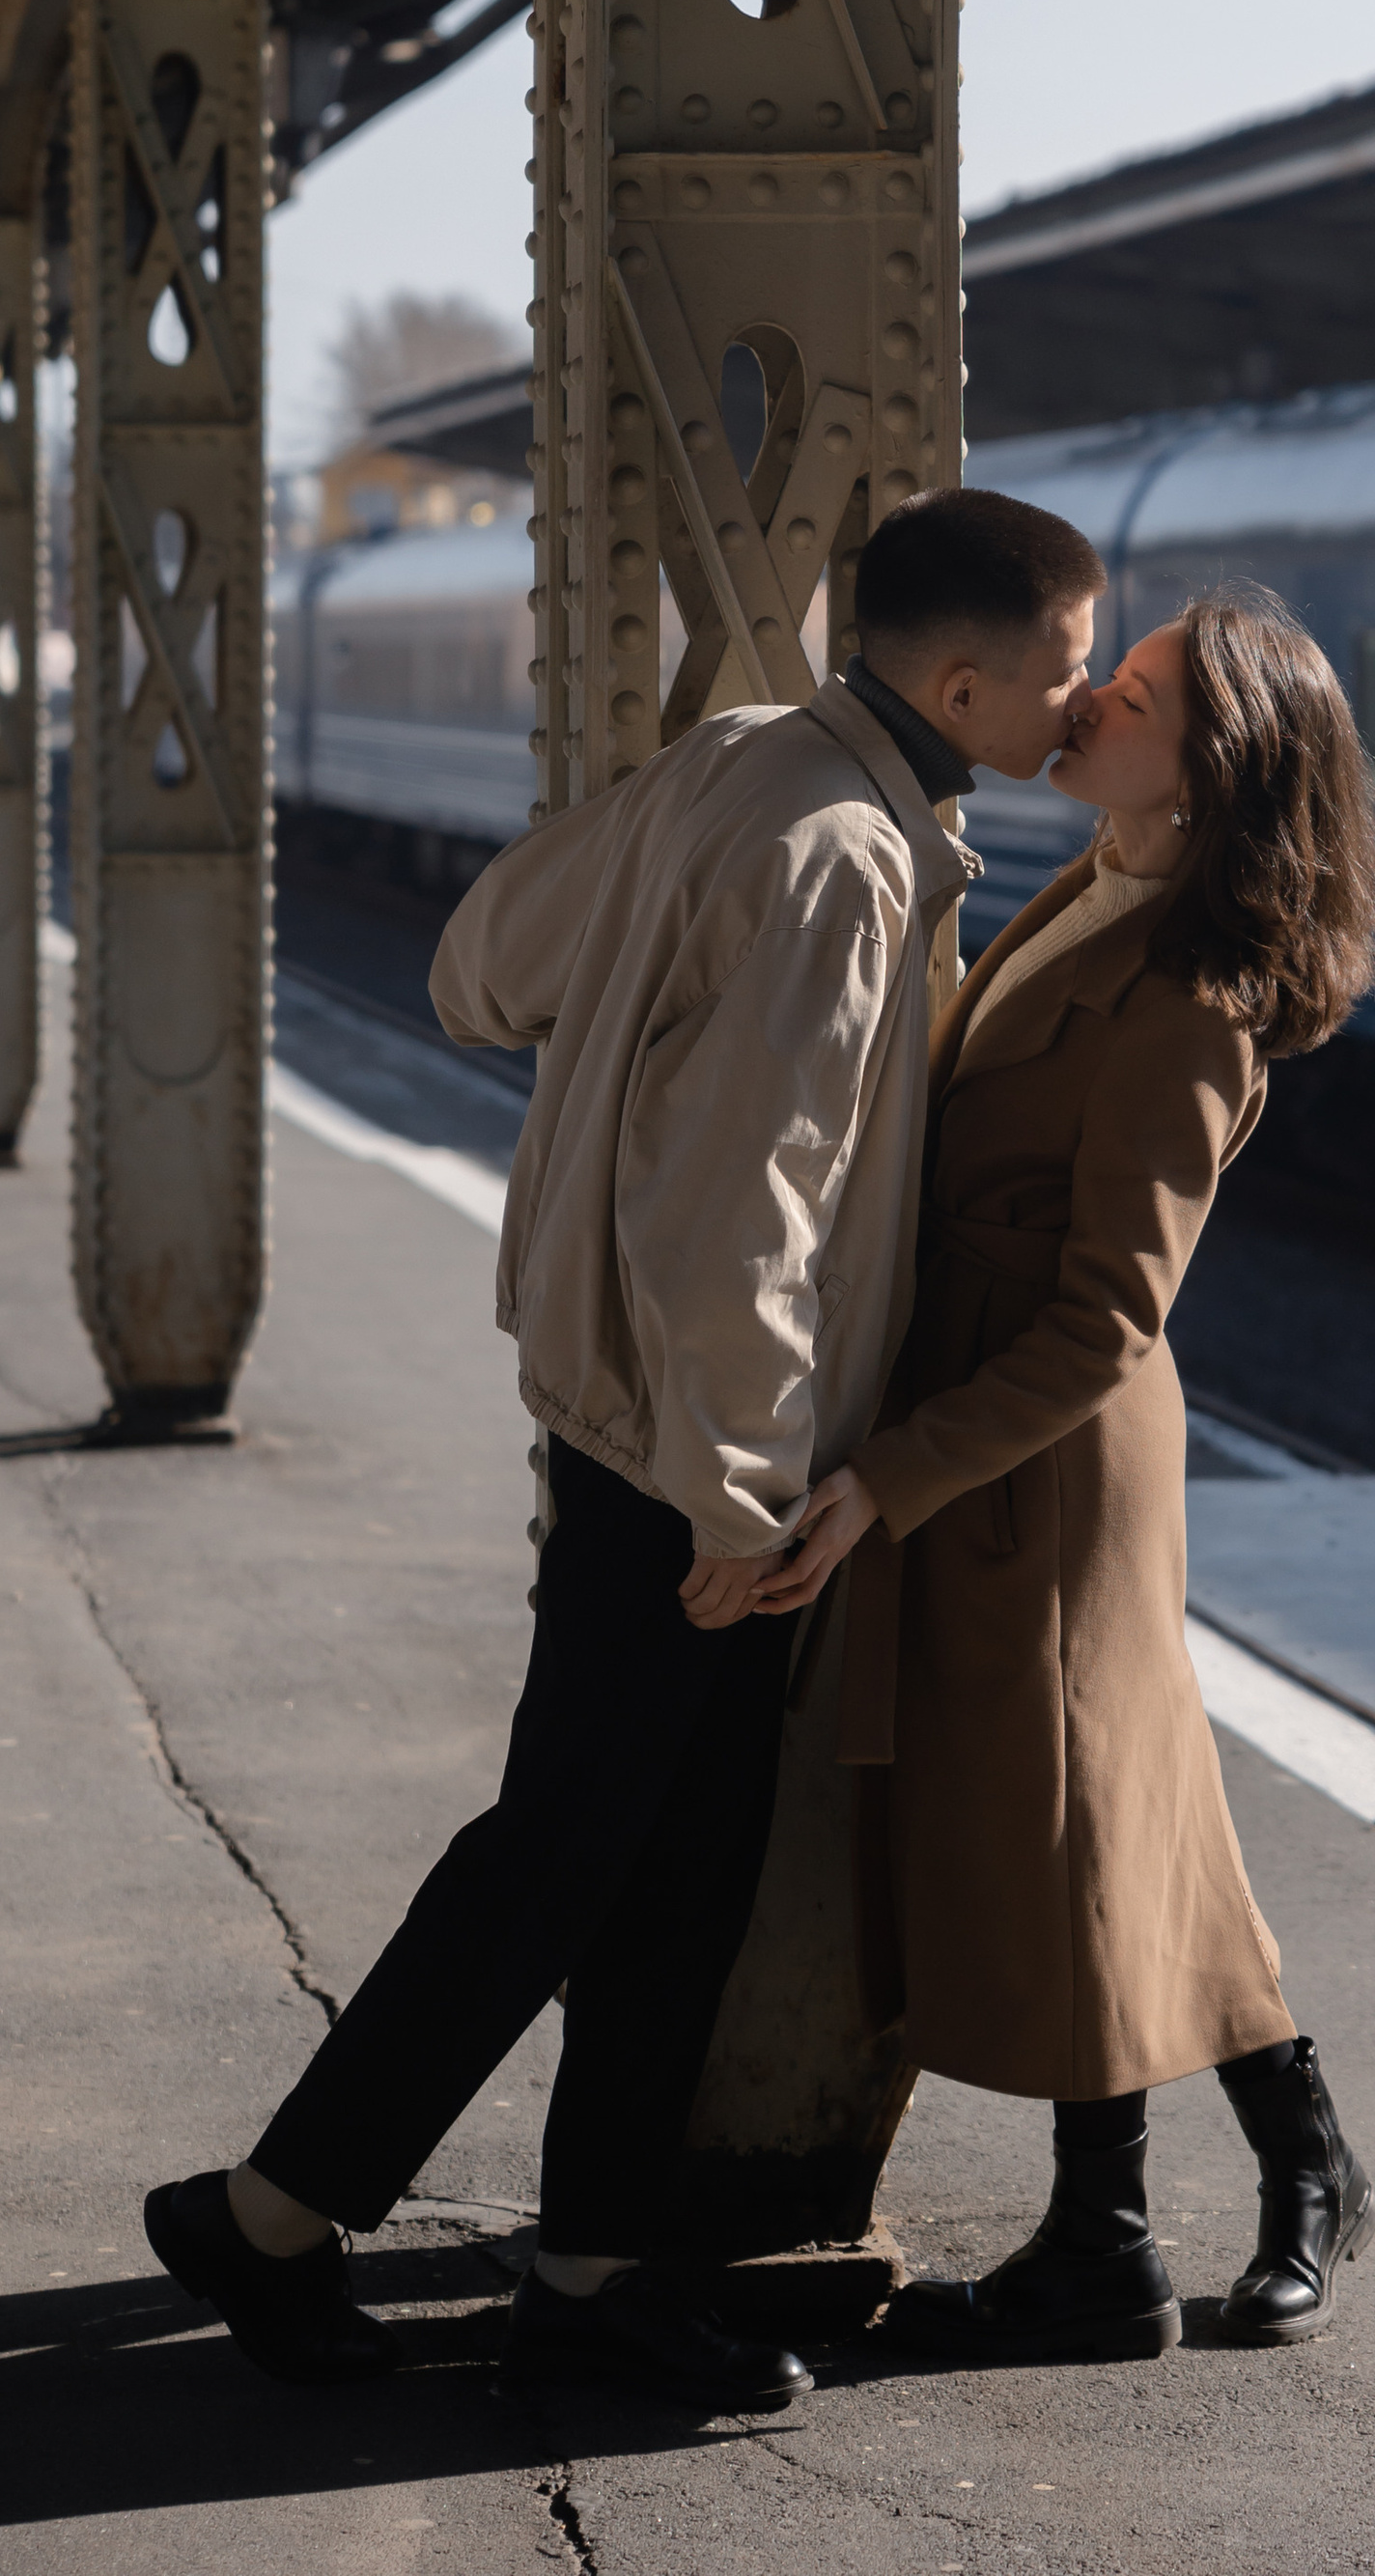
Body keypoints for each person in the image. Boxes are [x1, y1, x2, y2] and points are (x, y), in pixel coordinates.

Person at [143, 487, 1106, 2403]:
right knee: (569, 1857)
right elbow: (738, 1211)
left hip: (630, 1432)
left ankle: (587, 2270)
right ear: (968, 674)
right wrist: (741, 1499)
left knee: (657, 1865)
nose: (1075, 713)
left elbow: (476, 973)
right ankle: (267, 2218)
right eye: (1067, 674)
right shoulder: (840, 855)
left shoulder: (740, 765)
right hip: (695, 1468)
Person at [754, 582, 1375, 2362]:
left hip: (1039, 1444)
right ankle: (1266, 2179)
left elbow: (1112, 1318)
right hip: (986, 1412)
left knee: (1073, 1819)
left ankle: (1109, 2244)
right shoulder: (1091, 886)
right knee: (1116, 1810)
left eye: (1133, 693)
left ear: (1208, 769)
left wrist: (895, 1475)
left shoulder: (1190, 999)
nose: (1088, 701)